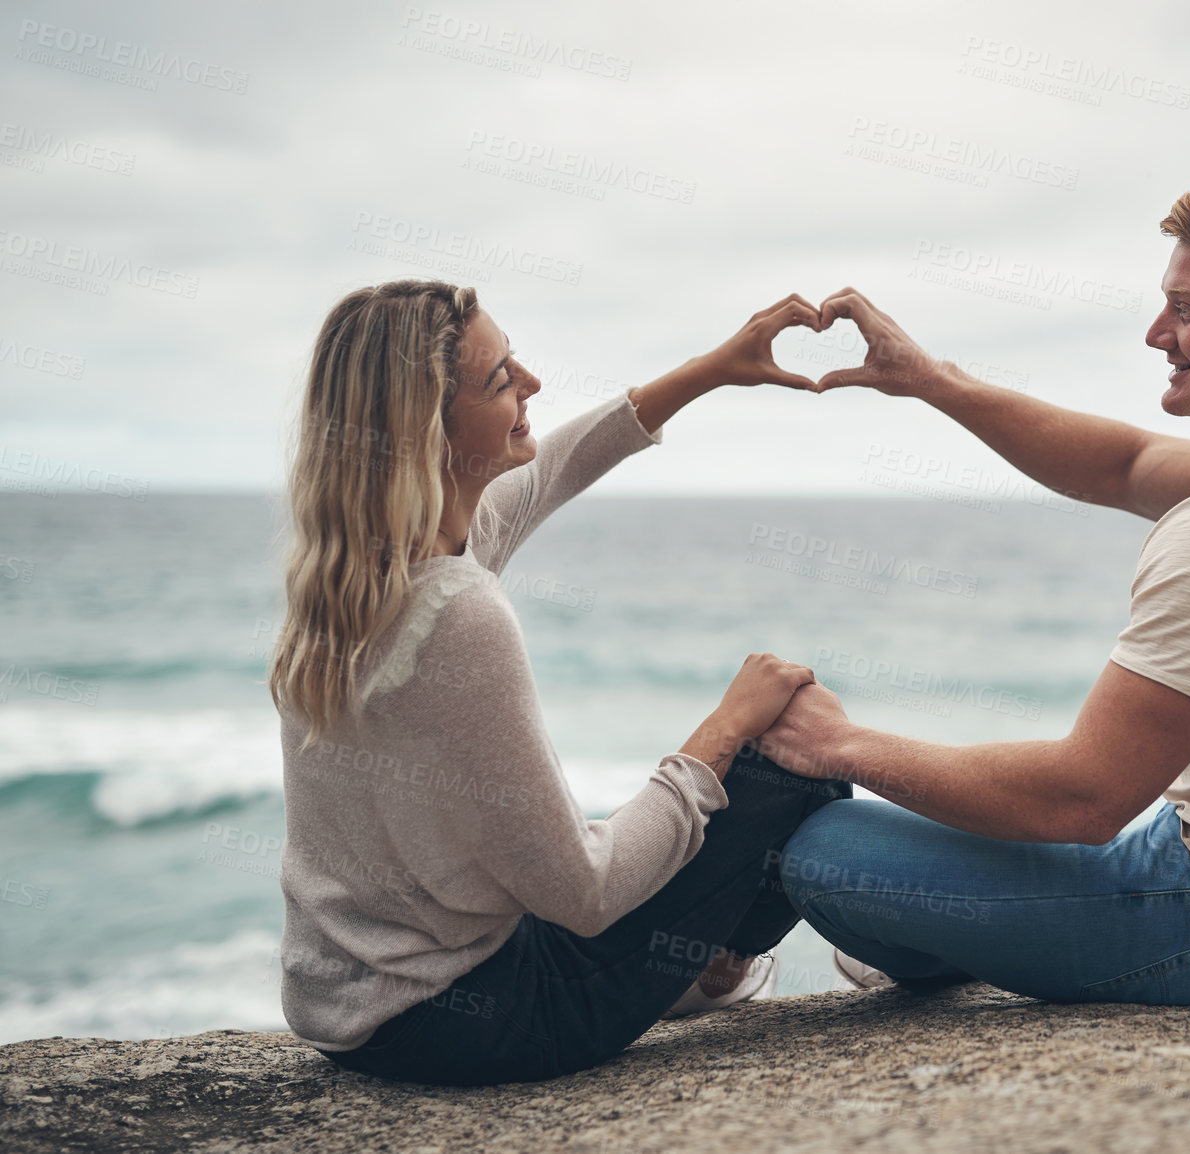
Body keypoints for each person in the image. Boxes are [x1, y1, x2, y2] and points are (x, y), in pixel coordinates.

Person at [761, 169, 1190, 1023]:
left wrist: (839, 744)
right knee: (928, 839)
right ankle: (950, 930)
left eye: (1188, 311)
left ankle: (889, 938)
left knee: (828, 852)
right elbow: (1123, 465)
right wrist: (933, 380)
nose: (1155, 333)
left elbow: (1083, 797)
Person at [268, 281, 848, 1086]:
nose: (531, 383)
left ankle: (690, 968)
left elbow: (559, 466)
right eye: (500, 378)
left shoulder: (346, 570)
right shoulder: (462, 614)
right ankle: (715, 969)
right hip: (483, 1016)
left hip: (349, 1014)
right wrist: (723, 726)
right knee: (799, 757)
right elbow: (583, 890)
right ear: (427, 432)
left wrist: (714, 367)